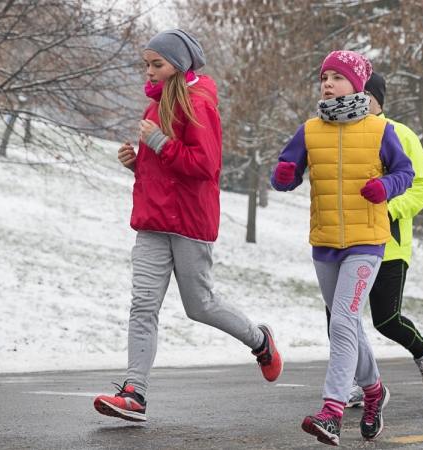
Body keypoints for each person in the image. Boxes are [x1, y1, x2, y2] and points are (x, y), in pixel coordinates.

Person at [93, 29, 283, 423]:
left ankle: (260, 340)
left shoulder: (199, 105)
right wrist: (137, 162)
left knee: (200, 306)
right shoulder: (154, 107)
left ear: (178, 66)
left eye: (157, 64)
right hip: (152, 220)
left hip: (190, 222)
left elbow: (206, 166)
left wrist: (160, 143)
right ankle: (135, 394)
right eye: (146, 64)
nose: (150, 71)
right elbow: (163, 168)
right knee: (142, 305)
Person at [272, 50, 414, 446]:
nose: (328, 83)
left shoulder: (379, 131)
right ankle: (374, 392)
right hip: (325, 242)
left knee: (341, 323)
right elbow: (285, 174)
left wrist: (385, 187)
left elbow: (406, 173)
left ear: (357, 85)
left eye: (336, 77)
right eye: (324, 78)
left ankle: (332, 412)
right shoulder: (310, 130)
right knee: (346, 322)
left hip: (367, 242)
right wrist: (283, 175)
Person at [328, 71, 423, 408]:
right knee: (340, 317)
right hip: (345, 244)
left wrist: (389, 209)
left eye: (363, 91)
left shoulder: (399, 133)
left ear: (375, 98)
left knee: (385, 319)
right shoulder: (340, 132)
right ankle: (356, 383)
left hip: (389, 245)